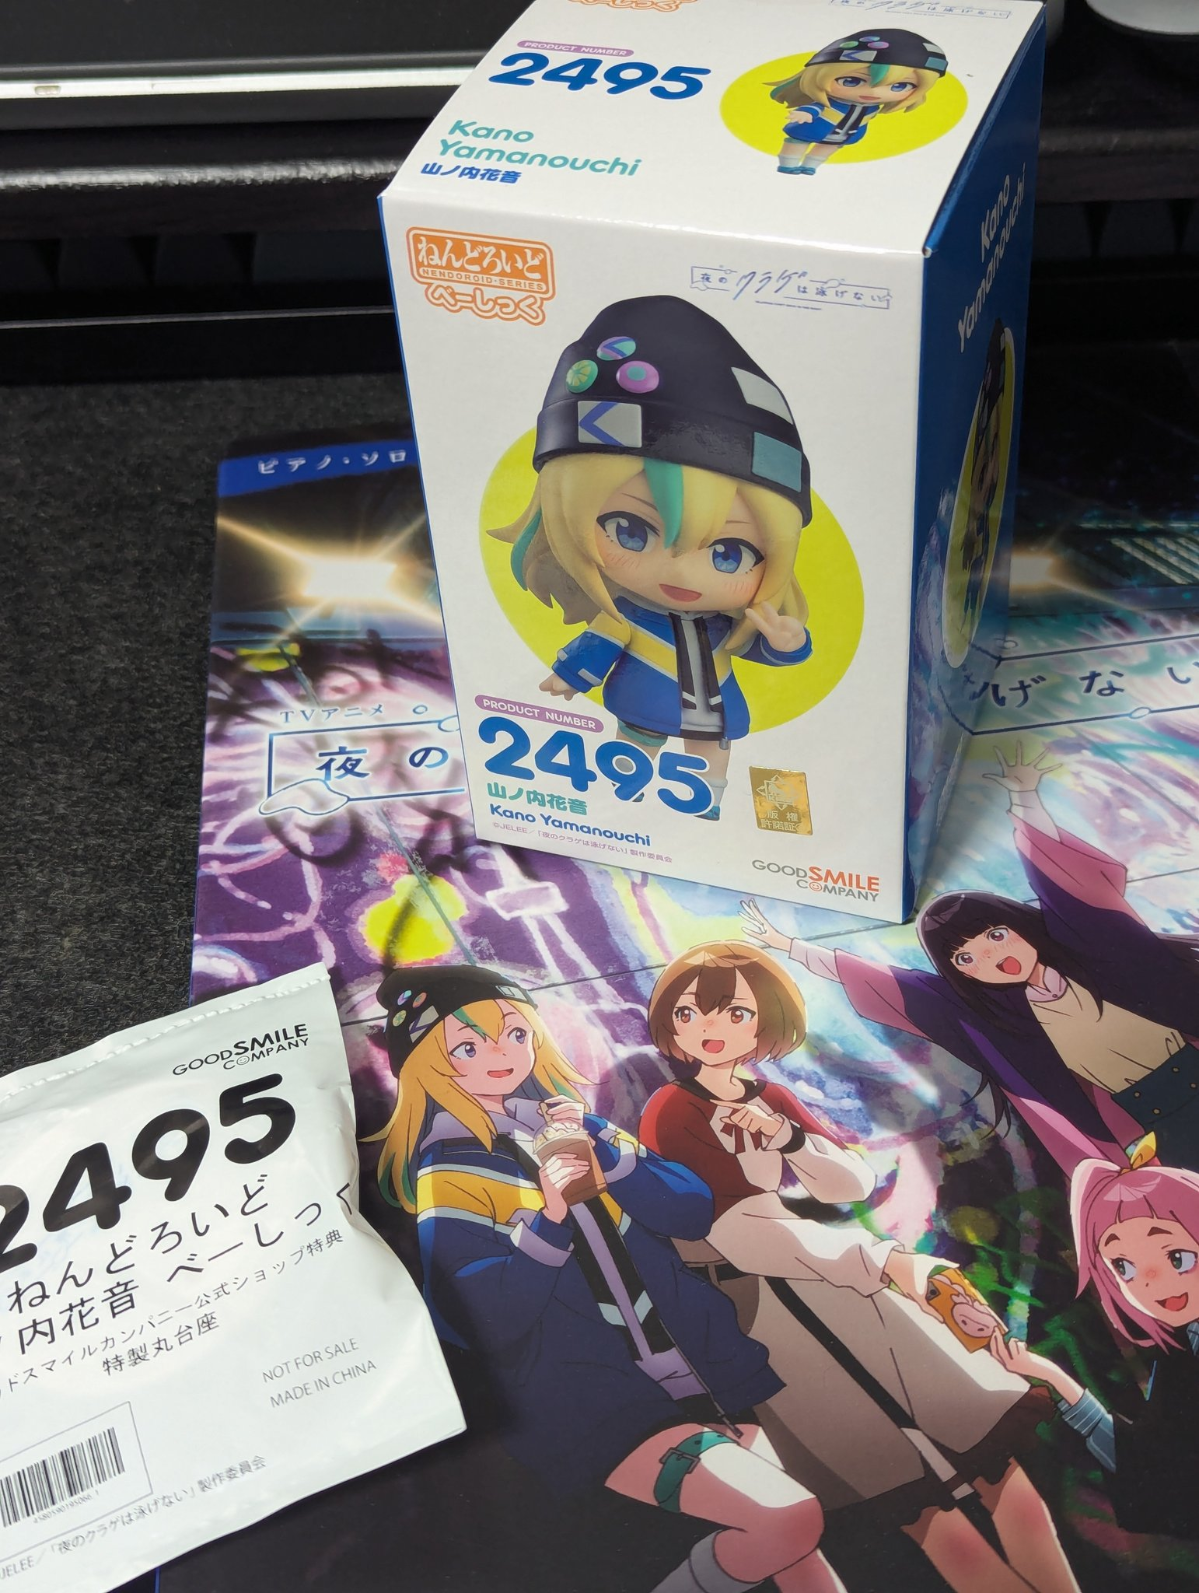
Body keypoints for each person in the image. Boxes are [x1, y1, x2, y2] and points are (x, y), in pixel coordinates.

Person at [367, 962, 846, 1593]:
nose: (501, 1055)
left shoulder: (576, 1126)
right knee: (786, 1518)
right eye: (468, 1047)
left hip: (700, 1366)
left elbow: (689, 1210)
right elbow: (477, 1318)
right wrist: (549, 1222)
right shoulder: (450, 1172)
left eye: (516, 1034)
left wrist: (615, 1161)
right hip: (599, 1398)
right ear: (430, 1064)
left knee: (793, 1549)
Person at [638, 940, 1080, 1593]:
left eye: (733, 1012)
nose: (709, 1027)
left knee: (998, 1469)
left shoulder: (769, 1096)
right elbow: (735, 1234)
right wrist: (885, 1260)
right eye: (687, 1013)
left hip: (842, 1285)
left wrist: (787, 1137)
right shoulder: (671, 1110)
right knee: (921, 1511)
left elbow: (849, 1182)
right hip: (769, 1313)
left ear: (764, 1020)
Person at [743, 745, 1199, 1174]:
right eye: (966, 957)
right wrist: (790, 946)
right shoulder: (1000, 1019)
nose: (993, 956)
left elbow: (1062, 882)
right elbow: (883, 983)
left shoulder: (1088, 948)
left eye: (996, 935)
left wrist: (1025, 797)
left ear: (1018, 926)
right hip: (1154, 1120)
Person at [492, 294, 814, 821]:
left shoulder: (727, 623)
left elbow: (761, 649)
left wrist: (787, 642)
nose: (681, 570)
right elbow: (597, 645)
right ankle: (629, 807)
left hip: (716, 713)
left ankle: (706, 811)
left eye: (730, 554)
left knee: (711, 762)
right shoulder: (626, 616)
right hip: (643, 705)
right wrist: (569, 676)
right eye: (631, 531)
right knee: (634, 756)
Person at [990, 1138, 1199, 1539]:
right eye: (1124, 1267)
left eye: (1177, 1257)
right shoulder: (1178, 1362)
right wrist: (1051, 1376)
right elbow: (1147, 1465)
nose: (1151, 1281)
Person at [769, 31, 948, 177]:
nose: (874, 93)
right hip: (812, 127)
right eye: (851, 81)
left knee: (827, 148)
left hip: (846, 134)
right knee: (797, 142)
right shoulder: (831, 102)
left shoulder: (872, 107)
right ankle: (788, 164)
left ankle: (810, 166)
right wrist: (805, 113)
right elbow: (816, 107)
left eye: (900, 86)